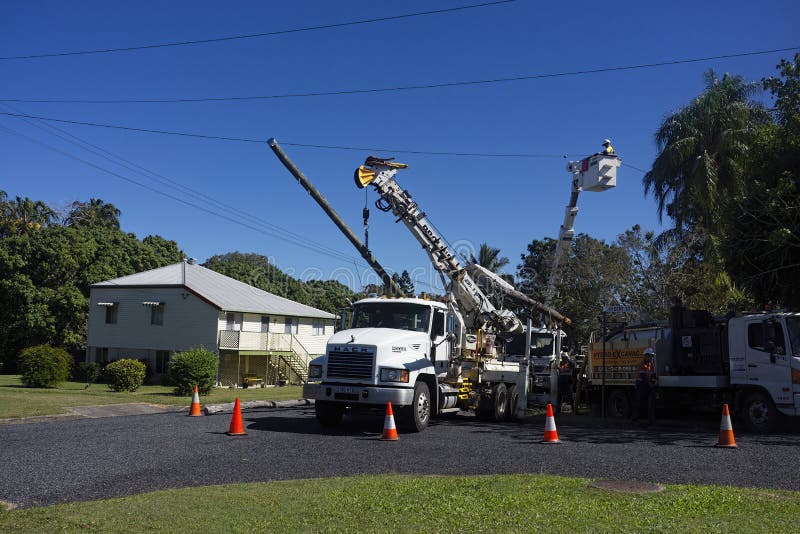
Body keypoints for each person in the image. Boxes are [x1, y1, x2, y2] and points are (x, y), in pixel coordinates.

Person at [633, 347, 657, 425]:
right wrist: (650, 383)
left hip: (647, 385)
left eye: (652, 356)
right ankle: (635, 419)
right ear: (646, 356)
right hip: (641, 385)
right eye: (651, 356)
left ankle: (651, 420)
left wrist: (653, 382)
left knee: (651, 403)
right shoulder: (641, 364)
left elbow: (652, 375)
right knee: (638, 403)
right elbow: (643, 376)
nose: (652, 357)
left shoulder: (651, 364)